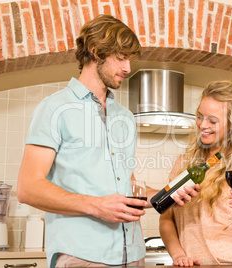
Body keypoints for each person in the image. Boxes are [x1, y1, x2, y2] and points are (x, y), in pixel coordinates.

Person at [17, 14, 198, 268]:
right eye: (121, 58)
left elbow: (129, 191)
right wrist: (96, 206)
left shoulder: (123, 116)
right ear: (95, 52)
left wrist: (169, 192)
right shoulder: (55, 108)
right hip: (82, 257)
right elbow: (28, 187)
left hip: (134, 256)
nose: (127, 68)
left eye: (129, 60)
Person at [159, 81, 232, 266]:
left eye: (212, 120)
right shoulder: (184, 164)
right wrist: (178, 255)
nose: (202, 125)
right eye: (200, 117)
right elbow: (166, 219)